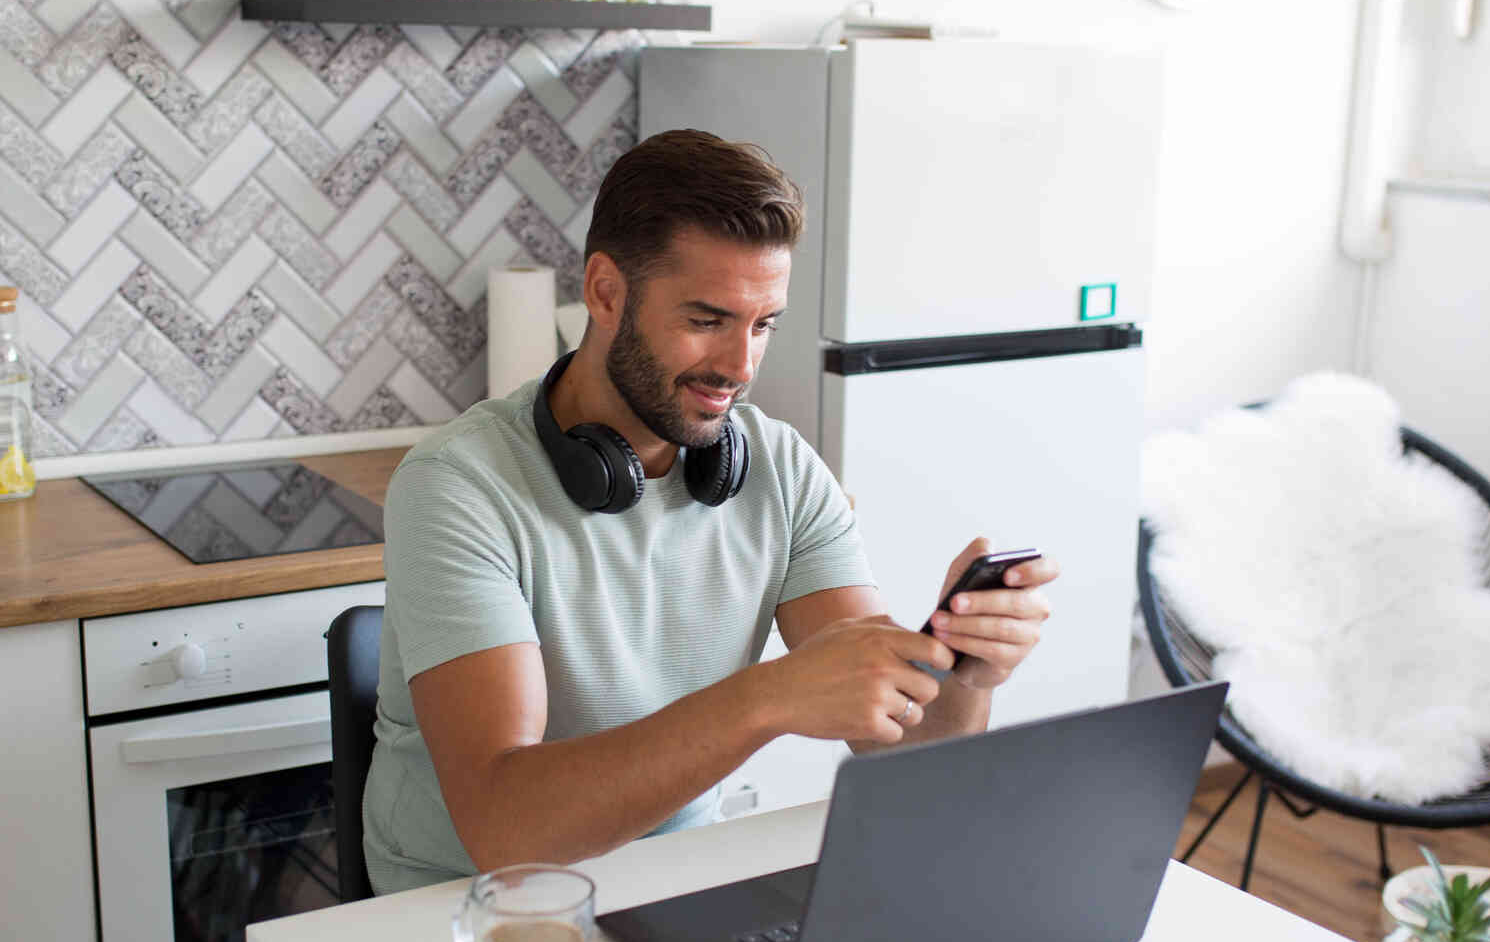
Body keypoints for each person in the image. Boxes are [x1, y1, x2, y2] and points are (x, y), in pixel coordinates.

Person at [361, 129, 1058, 896]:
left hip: (673, 880)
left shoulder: (782, 467)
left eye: (762, 325)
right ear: (604, 292)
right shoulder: (457, 487)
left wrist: (966, 674)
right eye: (706, 320)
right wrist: (767, 696)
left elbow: (900, 750)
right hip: (466, 912)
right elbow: (505, 828)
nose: (739, 366)